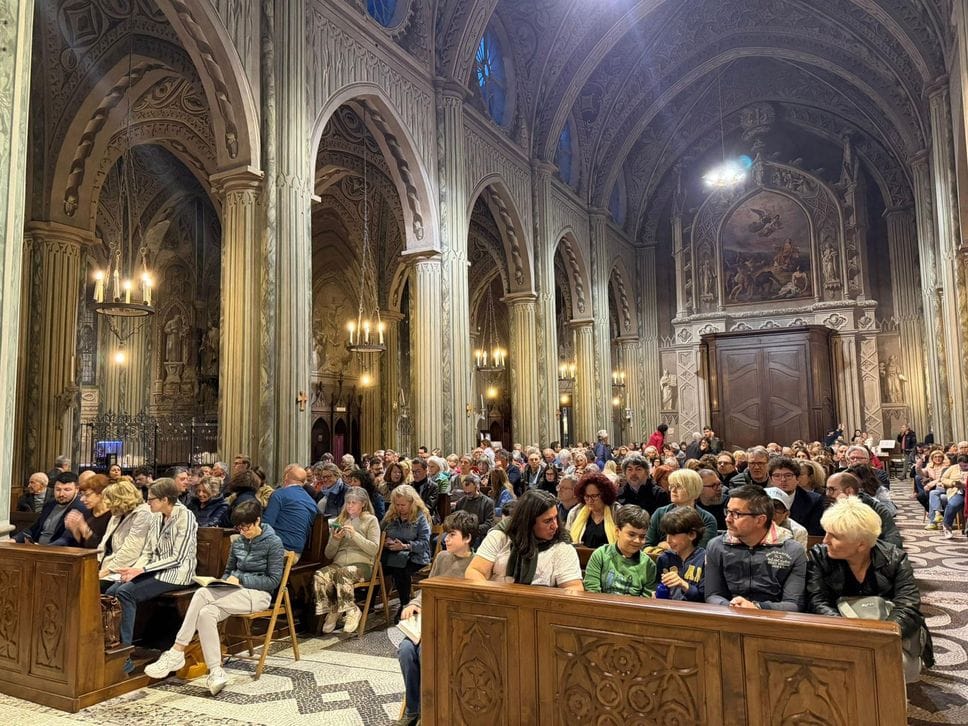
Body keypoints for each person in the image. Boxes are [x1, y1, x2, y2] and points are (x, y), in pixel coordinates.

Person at [144, 500, 284, 695]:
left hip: (259, 595)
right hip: (235, 594)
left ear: (258, 521)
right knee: (206, 613)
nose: (244, 532)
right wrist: (223, 583)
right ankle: (216, 671)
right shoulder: (238, 542)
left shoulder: (273, 542)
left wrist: (241, 579)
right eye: (240, 528)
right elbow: (228, 572)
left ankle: (177, 651)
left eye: (247, 527)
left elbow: (273, 581)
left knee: (202, 594)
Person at [806, 497, 934, 682]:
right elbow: (817, 601)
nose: (825, 540)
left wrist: (880, 637)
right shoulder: (819, 556)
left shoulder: (894, 558)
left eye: (835, 536)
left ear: (861, 544)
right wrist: (853, 635)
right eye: (826, 533)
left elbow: (908, 604)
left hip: (886, 633)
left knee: (893, 664)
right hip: (840, 632)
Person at [395, 511, 479, 726]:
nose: (445, 539)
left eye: (452, 535)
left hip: (453, 627)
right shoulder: (442, 557)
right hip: (429, 622)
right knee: (405, 651)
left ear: (467, 538)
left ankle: (430, 711)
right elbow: (428, 590)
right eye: (445, 535)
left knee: (426, 652)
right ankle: (414, 710)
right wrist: (414, 604)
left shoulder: (476, 565)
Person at [105, 478, 198, 668]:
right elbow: (148, 551)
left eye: (151, 500)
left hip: (177, 573)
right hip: (154, 569)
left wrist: (142, 570)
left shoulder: (186, 517)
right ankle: (110, 647)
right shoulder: (156, 517)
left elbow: (178, 558)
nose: (148, 503)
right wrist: (132, 571)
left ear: (165, 499)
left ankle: (125, 655)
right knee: (112, 591)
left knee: (125, 593)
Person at [704, 485, 806, 611]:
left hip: (774, 621)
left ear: (760, 520)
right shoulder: (716, 546)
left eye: (736, 514)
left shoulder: (792, 550)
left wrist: (756, 607)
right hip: (729, 616)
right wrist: (734, 607)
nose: (727, 519)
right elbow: (712, 595)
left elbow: (793, 604)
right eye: (728, 512)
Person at [466, 489, 582, 588]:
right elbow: (475, 571)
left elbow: (573, 587)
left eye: (556, 518)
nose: (555, 525)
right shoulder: (500, 536)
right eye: (547, 521)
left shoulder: (562, 547)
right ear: (529, 522)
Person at [313, 487, 382, 633]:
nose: (349, 506)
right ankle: (334, 608)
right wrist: (335, 540)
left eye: (353, 503)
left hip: (362, 564)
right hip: (339, 562)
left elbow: (374, 549)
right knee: (320, 575)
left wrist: (355, 535)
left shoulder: (370, 520)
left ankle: (351, 610)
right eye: (348, 502)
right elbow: (329, 554)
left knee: (343, 573)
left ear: (362, 503)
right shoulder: (340, 520)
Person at [381, 484, 432, 619]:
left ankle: (404, 604)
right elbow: (380, 532)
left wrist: (404, 546)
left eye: (403, 505)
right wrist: (385, 541)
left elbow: (425, 543)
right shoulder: (391, 515)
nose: (399, 508)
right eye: (397, 504)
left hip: (416, 556)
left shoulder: (420, 516)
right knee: (377, 568)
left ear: (412, 503)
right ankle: (371, 604)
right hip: (392, 554)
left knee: (400, 570)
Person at [583, 505, 656, 596]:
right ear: (617, 531)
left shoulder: (648, 566)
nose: (637, 541)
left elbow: (646, 600)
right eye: (631, 534)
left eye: (642, 536)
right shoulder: (601, 555)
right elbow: (592, 591)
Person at [824, 471, 903, 547]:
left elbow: (894, 543)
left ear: (849, 491)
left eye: (831, 490)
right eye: (826, 489)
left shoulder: (876, 509)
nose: (827, 494)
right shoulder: (829, 507)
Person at [645, 468, 718, 548]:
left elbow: (702, 551)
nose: (673, 490)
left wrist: (665, 546)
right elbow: (647, 546)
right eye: (671, 486)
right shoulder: (660, 513)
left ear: (693, 488)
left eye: (679, 486)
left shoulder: (706, 519)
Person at [98, 480, 155, 578]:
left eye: (110, 500)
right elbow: (103, 543)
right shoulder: (117, 514)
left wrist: (106, 571)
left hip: (127, 569)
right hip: (107, 566)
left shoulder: (143, 513)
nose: (107, 504)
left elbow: (131, 550)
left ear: (120, 500)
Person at [263, 464, 319, 558]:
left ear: (286, 477)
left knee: (235, 540)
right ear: (304, 481)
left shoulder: (279, 494)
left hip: (278, 551)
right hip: (297, 554)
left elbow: (266, 525)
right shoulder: (312, 502)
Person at [14, 474, 88, 545]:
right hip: (37, 548)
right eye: (58, 489)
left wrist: (43, 548)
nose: (61, 494)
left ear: (77, 489)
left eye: (67, 490)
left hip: (60, 552)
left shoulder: (80, 508)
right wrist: (14, 539)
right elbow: (34, 528)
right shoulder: (50, 504)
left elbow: (66, 540)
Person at [655, 506, 707, 602]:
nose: (668, 540)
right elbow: (656, 588)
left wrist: (683, 584)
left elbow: (705, 598)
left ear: (692, 535)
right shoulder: (664, 559)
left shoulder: (705, 560)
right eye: (667, 534)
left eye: (673, 535)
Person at [767, 457, 825, 535]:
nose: (783, 479)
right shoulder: (761, 500)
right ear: (771, 479)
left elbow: (815, 535)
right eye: (777, 476)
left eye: (788, 475)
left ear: (797, 479)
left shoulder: (814, 501)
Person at [566, 473, 621, 549]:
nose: (590, 500)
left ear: (604, 495)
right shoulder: (575, 513)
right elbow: (567, 541)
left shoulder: (617, 512)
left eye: (594, 496)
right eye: (586, 496)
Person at [64, 473, 112, 548]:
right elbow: (82, 547)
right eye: (81, 495)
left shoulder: (113, 516)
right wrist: (75, 531)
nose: (82, 499)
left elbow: (105, 548)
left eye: (87, 495)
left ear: (101, 494)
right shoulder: (86, 513)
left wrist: (85, 529)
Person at [453, 474, 495, 547]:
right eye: (465, 493)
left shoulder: (488, 503)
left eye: (469, 493)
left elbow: (488, 524)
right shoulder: (461, 502)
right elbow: (456, 520)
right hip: (463, 533)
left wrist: (471, 530)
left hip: (478, 535)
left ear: (477, 487)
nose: (467, 495)